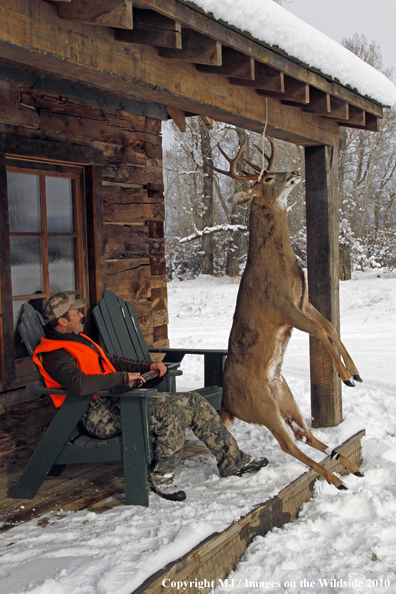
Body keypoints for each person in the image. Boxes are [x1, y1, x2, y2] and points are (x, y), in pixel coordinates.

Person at [33, 292, 268, 501]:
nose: (81, 315)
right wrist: (123, 378)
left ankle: (233, 462)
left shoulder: (77, 340)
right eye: (76, 313)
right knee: (170, 413)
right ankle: (162, 475)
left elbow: (110, 361)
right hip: (96, 414)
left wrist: (149, 364)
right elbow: (79, 384)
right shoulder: (56, 354)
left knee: (195, 402)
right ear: (62, 321)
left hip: (115, 401)